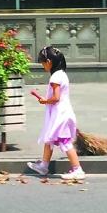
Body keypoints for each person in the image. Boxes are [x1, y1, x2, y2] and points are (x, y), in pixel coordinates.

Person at [27, 46, 86, 180]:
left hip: (61, 114)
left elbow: (56, 98)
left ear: (49, 61)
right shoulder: (61, 74)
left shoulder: (55, 78)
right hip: (63, 112)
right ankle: (44, 165)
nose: (43, 66)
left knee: (64, 141)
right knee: (50, 139)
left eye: (43, 63)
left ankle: (78, 170)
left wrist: (45, 100)